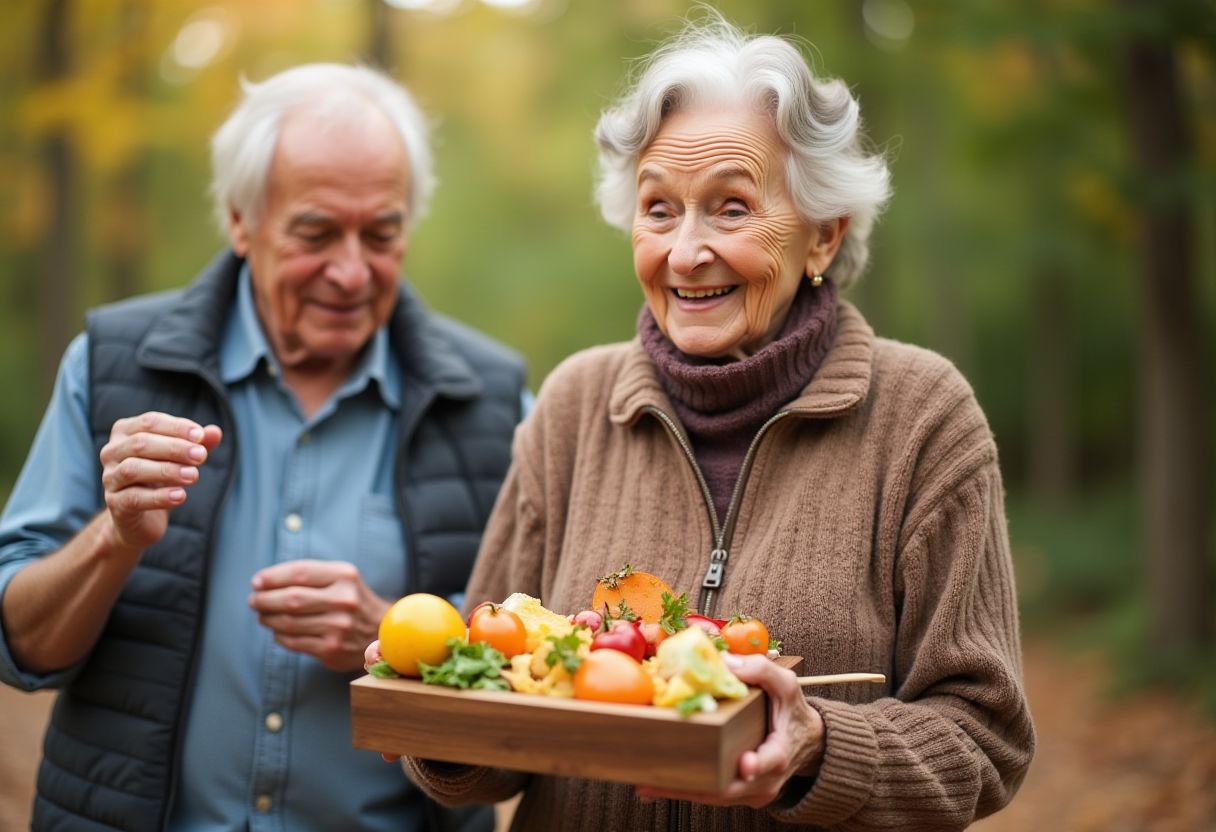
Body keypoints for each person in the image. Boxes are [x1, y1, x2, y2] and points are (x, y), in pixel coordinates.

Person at [400, 14, 1034, 832]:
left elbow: (987, 737)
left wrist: (819, 750)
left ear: (823, 234)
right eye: (659, 209)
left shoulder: (923, 418)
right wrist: (441, 723)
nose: (686, 252)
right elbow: (489, 704)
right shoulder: (570, 408)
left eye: (730, 209)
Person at [0, 64, 525, 832]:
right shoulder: (110, 363)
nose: (351, 271)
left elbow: (542, 649)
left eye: (381, 234)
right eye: (315, 233)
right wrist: (112, 538)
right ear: (242, 221)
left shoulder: (496, 400)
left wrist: (397, 638)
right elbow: (22, 648)